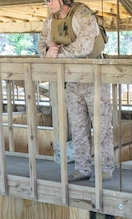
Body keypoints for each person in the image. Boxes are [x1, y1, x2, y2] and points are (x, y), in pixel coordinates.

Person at [39, 0, 115, 182]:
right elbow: (42, 46)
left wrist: (57, 53)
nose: (48, 4)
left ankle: (105, 168)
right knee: (78, 126)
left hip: (94, 77)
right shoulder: (51, 20)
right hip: (72, 80)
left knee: (101, 125)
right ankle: (83, 168)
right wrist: (48, 53)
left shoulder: (83, 14)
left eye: (51, 0)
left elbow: (85, 46)